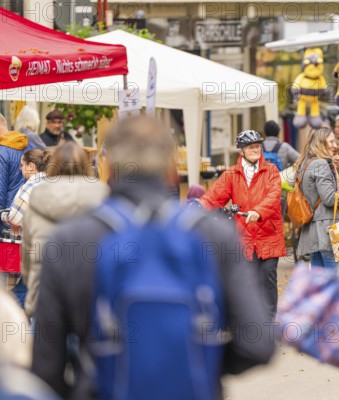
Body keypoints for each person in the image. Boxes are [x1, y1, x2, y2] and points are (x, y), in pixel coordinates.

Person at [32, 118, 274, 399]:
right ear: (171, 169)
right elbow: (258, 344)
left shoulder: (70, 240)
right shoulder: (214, 234)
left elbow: (45, 369)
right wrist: (200, 364)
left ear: (109, 167)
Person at [199, 130, 286, 321]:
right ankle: (250, 320)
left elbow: (273, 197)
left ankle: (268, 321)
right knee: (247, 281)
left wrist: (258, 211)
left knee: (268, 279)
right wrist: (198, 205)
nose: (256, 150)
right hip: (244, 236)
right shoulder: (231, 174)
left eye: (257, 146)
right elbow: (214, 196)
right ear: (242, 151)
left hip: (268, 235)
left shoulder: (270, 170)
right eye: (251, 147)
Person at [22, 142, 109, 318]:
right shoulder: (104, 197)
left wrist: (31, 282)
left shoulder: (37, 196)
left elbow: (26, 255)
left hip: (44, 295)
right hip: (91, 300)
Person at [295, 127, 339, 269]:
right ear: (320, 143)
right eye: (331, 142)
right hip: (327, 231)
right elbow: (329, 199)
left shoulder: (305, 164)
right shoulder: (321, 164)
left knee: (321, 282)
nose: (335, 146)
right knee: (334, 282)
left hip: (313, 231)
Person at [0, 112, 32, 304]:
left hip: (7, 228)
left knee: (10, 293)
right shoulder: (27, 145)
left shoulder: (2, 152)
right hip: (29, 227)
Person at [1, 149, 51, 237]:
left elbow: (13, 218)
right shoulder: (49, 182)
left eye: (22, 165)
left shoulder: (30, 186)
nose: (21, 169)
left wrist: (2, 214)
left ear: (31, 166)